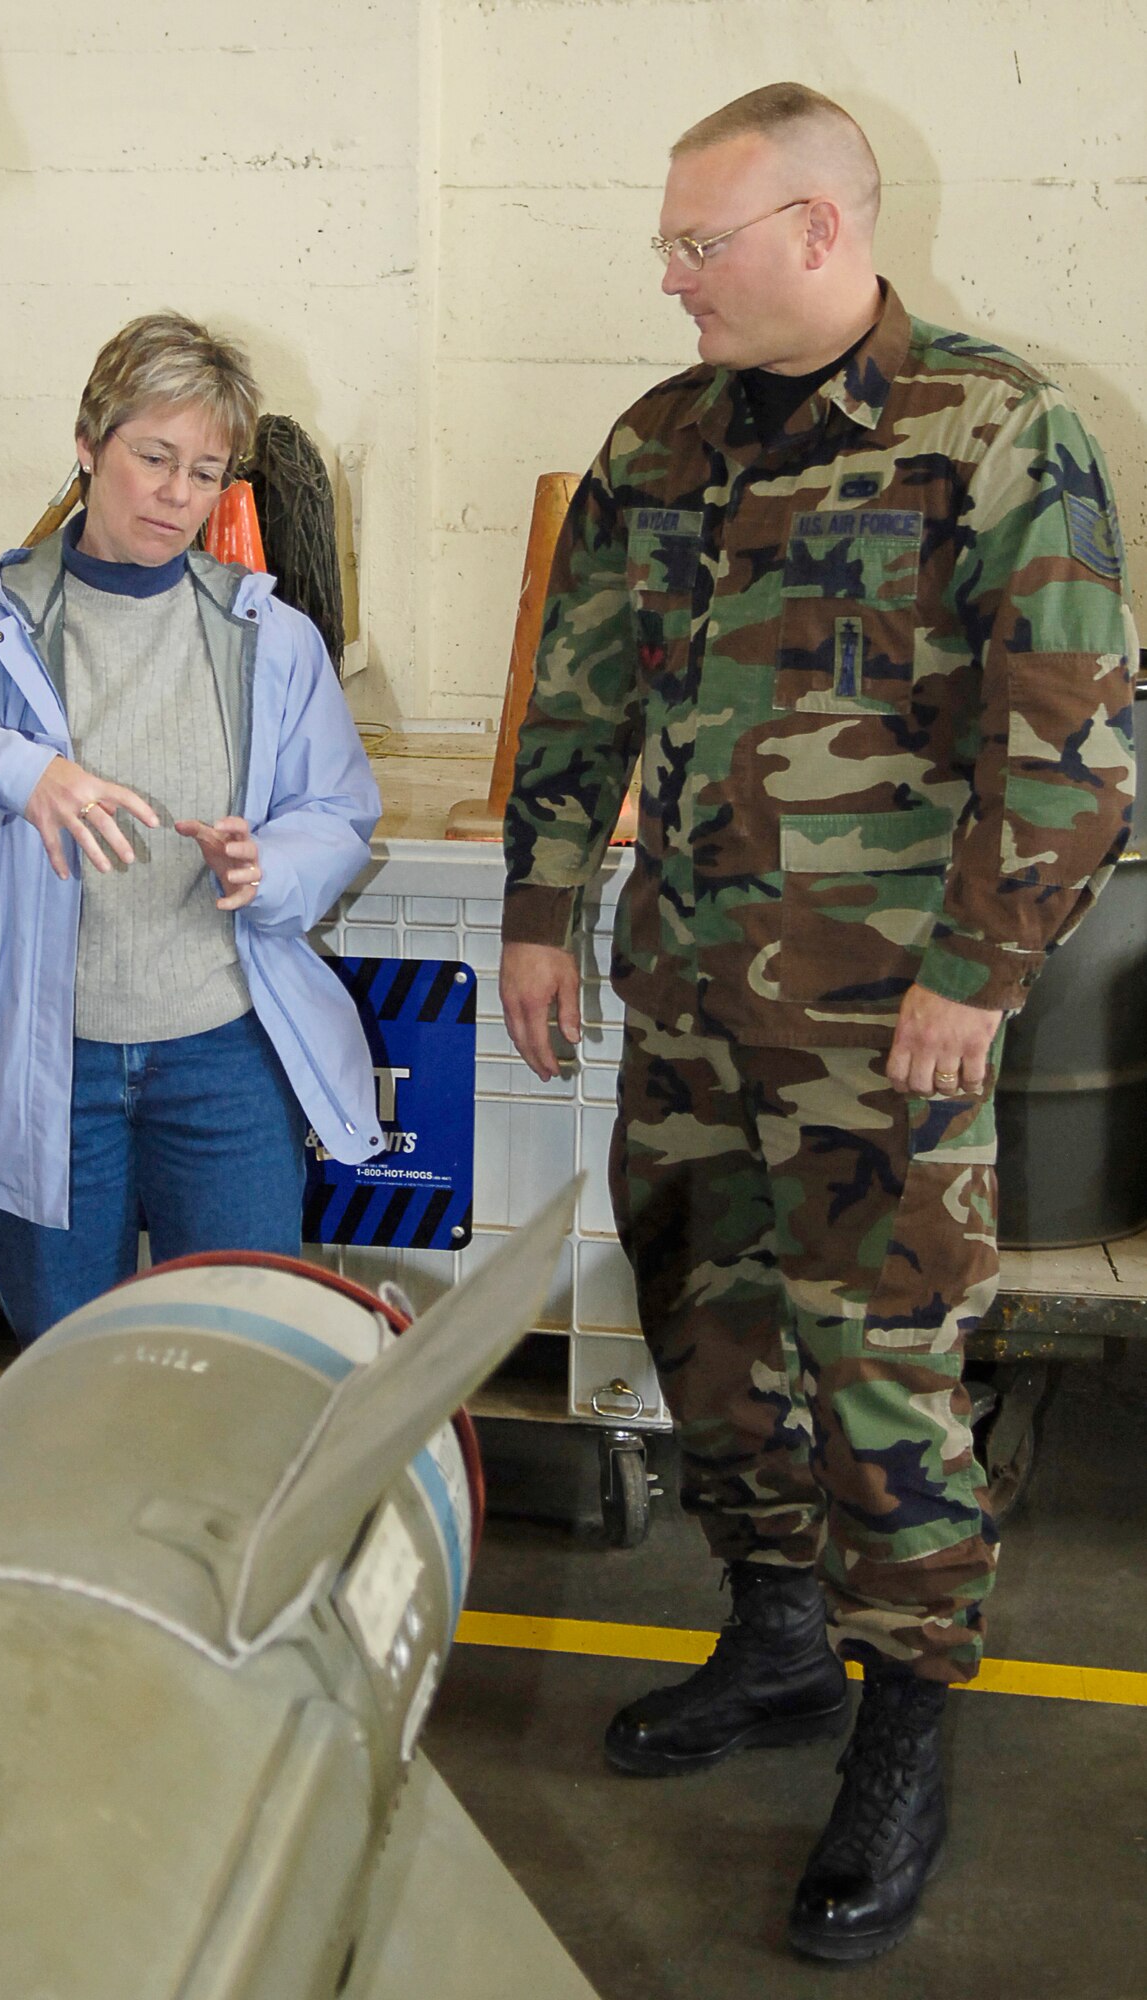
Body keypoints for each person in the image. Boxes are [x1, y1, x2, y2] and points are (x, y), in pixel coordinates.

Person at [499, 84, 1135, 1962]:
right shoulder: (656, 441)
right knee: (703, 1334)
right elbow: (580, 692)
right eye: (669, 243)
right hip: (687, 994)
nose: (669, 276)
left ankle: (904, 1726)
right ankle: (777, 1640)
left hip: (886, 1023)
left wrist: (977, 973)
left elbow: (1073, 740)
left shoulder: (994, 430)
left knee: (884, 1370)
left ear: (818, 231)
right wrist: (542, 912)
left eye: (697, 244)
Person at [0, 311, 383, 1344]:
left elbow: (336, 810)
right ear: (89, 444)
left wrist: (269, 865)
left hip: (224, 1055)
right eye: (154, 457)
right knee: (67, 1361)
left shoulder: (270, 636)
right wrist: (20, 772)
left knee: (240, 1347)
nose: (177, 493)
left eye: (205, 471)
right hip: (54, 1065)